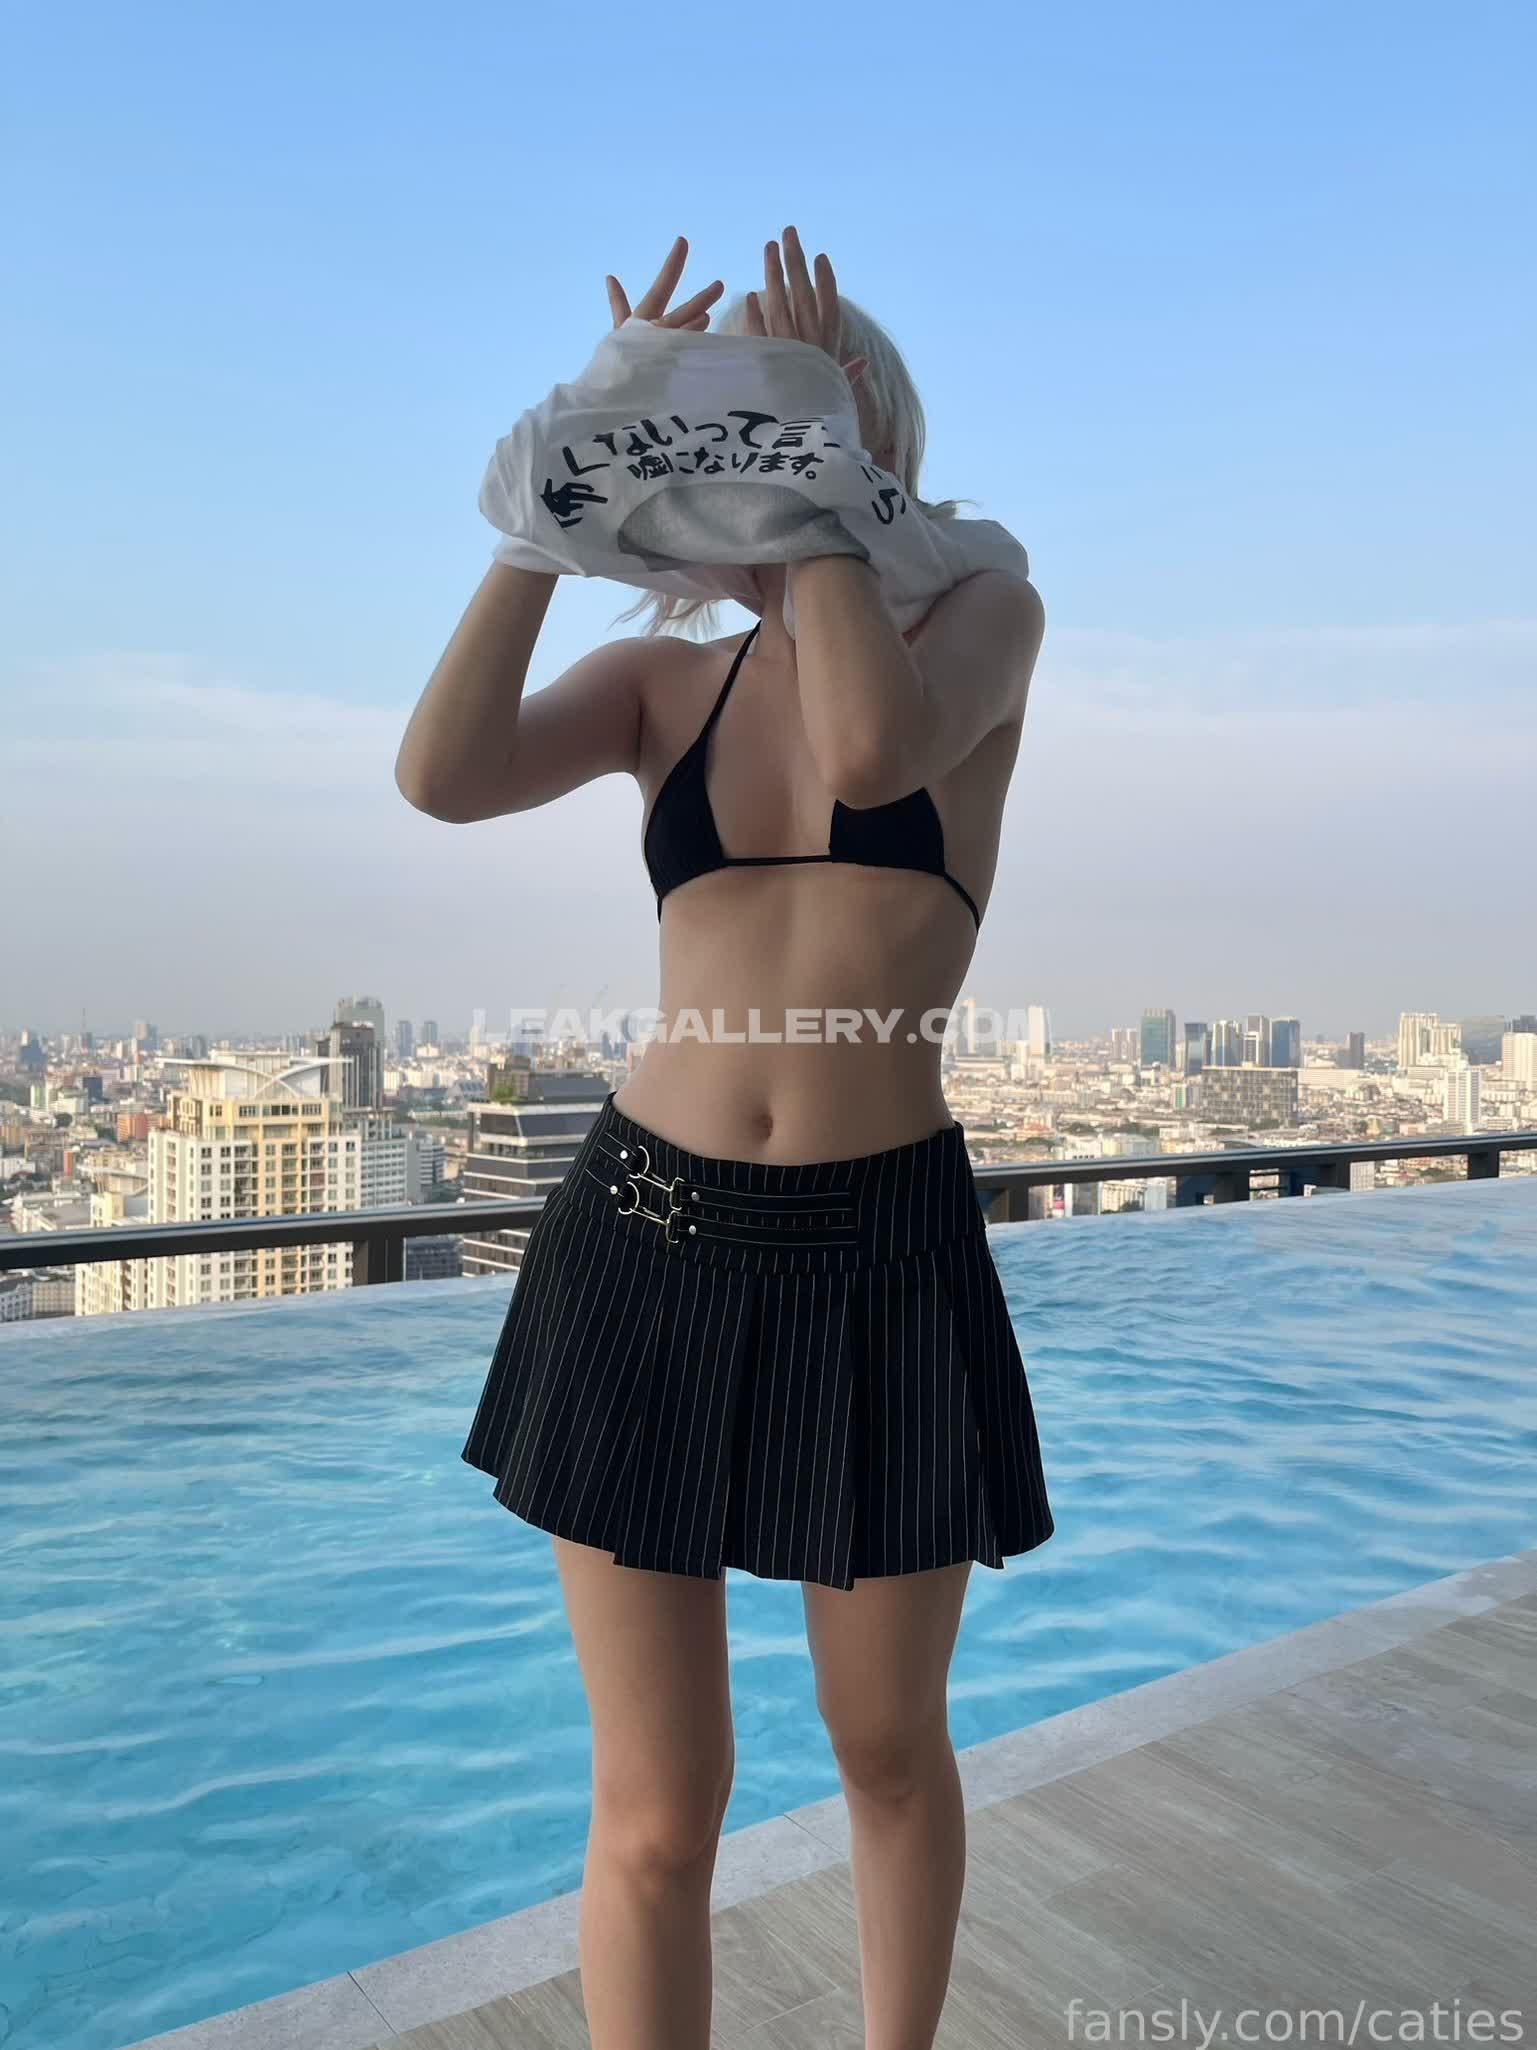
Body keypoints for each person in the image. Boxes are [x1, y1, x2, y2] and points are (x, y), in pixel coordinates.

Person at [395, 227, 1054, 2050]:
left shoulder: (985, 619)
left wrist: (803, 462)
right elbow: (440, 775)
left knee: (885, 1749)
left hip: (878, 1247)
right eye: (719, 415)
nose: (740, 440)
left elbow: (869, 753)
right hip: (640, 1234)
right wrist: (553, 489)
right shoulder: (656, 685)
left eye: (781, 406)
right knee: (657, 1807)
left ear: (860, 431)